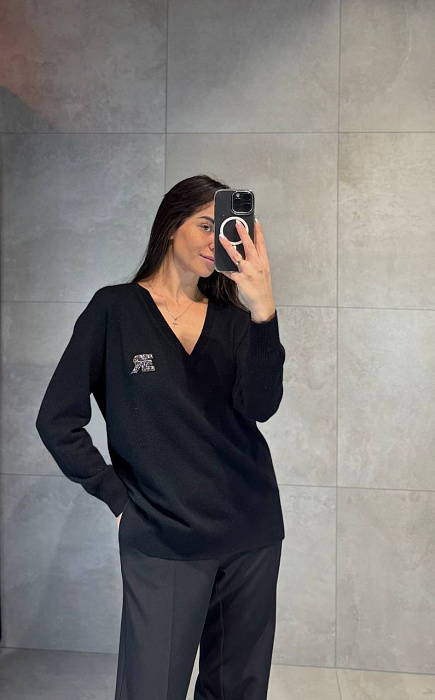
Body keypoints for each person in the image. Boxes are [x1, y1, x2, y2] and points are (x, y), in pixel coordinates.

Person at [35, 174, 286, 700]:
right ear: (171, 226)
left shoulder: (237, 318)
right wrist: (118, 498)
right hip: (163, 536)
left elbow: (261, 407)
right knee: (151, 689)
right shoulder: (115, 310)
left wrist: (263, 311)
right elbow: (57, 419)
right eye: (205, 225)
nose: (217, 239)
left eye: (226, 228)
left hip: (251, 530)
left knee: (237, 690)